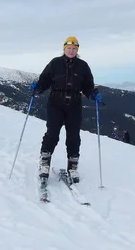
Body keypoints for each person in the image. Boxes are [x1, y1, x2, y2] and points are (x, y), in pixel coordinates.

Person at [29, 36, 102, 183]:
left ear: (77, 50)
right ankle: (44, 163)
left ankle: (73, 166)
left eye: (74, 48)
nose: (71, 50)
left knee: (73, 136)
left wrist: (93, 94)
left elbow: (87, 86)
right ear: (64, 49)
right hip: (55, 102)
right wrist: (37, 88)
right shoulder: (55, 63)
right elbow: (44, 80)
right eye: (69, 48)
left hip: (74, 103)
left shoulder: (83, 66)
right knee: (52, 133)